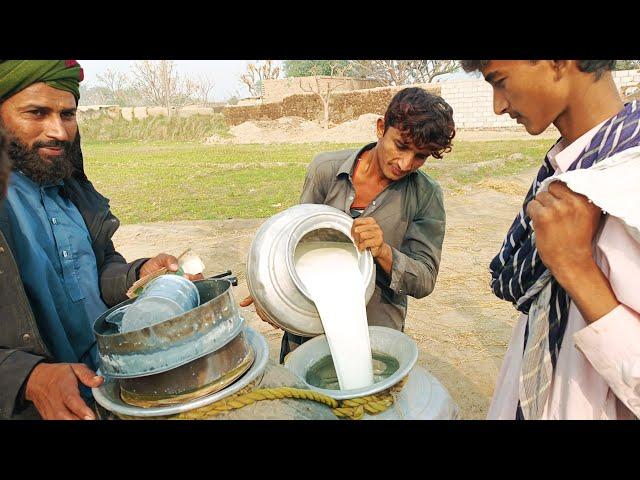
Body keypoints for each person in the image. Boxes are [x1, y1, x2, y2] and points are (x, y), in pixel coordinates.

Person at [0, 60, 202, 420]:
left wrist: (139, 275)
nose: (59, 131)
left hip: (111, 392)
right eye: (36, 112)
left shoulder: (71, 189)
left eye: (67, 114)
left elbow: (96, 270)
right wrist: (28, 377)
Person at [461, 60, 640, 419]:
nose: (497, 106)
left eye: (499, 81)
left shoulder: (628, 185)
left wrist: (576, 269)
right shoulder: (566, 171)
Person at [242, 87, 455, 363]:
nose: (405, 163)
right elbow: (290, 241)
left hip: (372, 339)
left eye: (420, 156)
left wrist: (383, 252)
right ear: (381, 128)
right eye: (401, 146)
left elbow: (424, 279)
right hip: (309, 329)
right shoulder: (326, 171)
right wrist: (268, 294)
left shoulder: (426, 196)